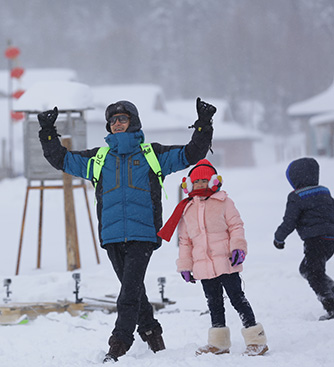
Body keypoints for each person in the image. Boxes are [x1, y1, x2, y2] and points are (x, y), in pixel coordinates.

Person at [37, 98, 216, 363]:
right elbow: (61, 159)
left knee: (128, 293)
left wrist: (203, 124)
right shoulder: (99, 158)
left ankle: (119, 343)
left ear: (134, 122)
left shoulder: (151, 155)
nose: (117, 123)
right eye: (113, 120)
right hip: (111, 236)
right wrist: (48, 132)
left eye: (122, 118)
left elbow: (192, 153)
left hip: (143, 235)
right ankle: (152, 333)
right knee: (133, 290)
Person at [159, 159, 268, 356]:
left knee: (238, 299)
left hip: (226, 262)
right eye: (196, 181)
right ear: (189, 184)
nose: (200, 184)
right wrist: (185, 265)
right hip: (203, 267)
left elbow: (236, 227)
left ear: (213, 182)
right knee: (214, 302)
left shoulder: (224, 202)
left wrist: (238, 248)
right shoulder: (187, 209)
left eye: (204, 181)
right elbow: (185, 241)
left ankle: (256, 340)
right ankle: (219, 343)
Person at [274, 157, 334, 321]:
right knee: (307, 269)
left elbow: (289, 221)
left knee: (314, 273)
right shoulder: (324, 192)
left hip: (315, 240)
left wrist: (279, 238)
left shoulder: (296, 196)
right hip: (330, 239)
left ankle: (331, 304)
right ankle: (331, 291)